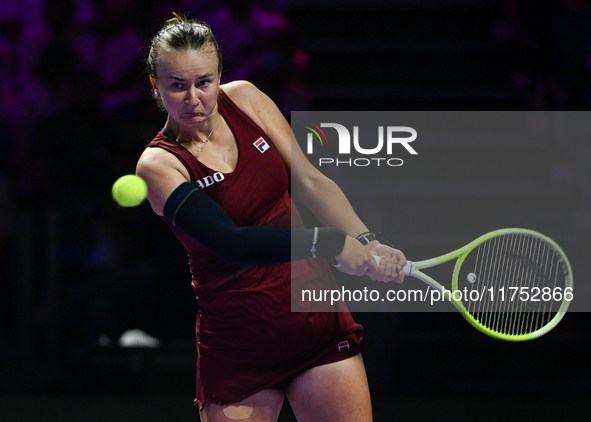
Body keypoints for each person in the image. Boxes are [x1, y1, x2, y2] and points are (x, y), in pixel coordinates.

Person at [136, 13, 406, 422]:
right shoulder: (158, 165)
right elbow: (232, 242)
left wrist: (367, 240)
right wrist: (332, 242)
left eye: (204, 82)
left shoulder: (245, 98)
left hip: (313, 319)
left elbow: (311, 180)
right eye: (177, 86)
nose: (194, 98)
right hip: (239, 342)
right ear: (155, 86)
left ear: (220, 75)